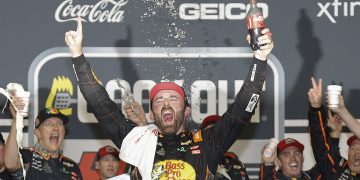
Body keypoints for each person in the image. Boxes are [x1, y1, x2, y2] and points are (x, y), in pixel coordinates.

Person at [65, 17, 274, 179]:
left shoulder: (208, 142)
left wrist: (260, 59)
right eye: (158, 100)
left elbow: (241, 110)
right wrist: (77, 56)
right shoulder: (138, 141)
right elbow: (102, 107)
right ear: (151, 114)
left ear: (187, 110)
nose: (165, 103)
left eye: (174, 98)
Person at [5, 97, 82, 180]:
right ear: (38, 133)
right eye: (49, 124)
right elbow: (11, 164)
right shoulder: (27, 156)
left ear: (64, 132)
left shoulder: (72, 166)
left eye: (59, 124)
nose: (56, 128)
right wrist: (17, 119)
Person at [308, 77, 360, 179]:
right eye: (352, 149)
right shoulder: (338, 171)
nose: (356, 153)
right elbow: (321, 148)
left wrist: (342, 111)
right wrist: (316, 108)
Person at [201, 115, 249, 179]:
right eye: (209, 136)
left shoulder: (232, 162)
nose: (213, 139)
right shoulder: (194, 159)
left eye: (217, 135)